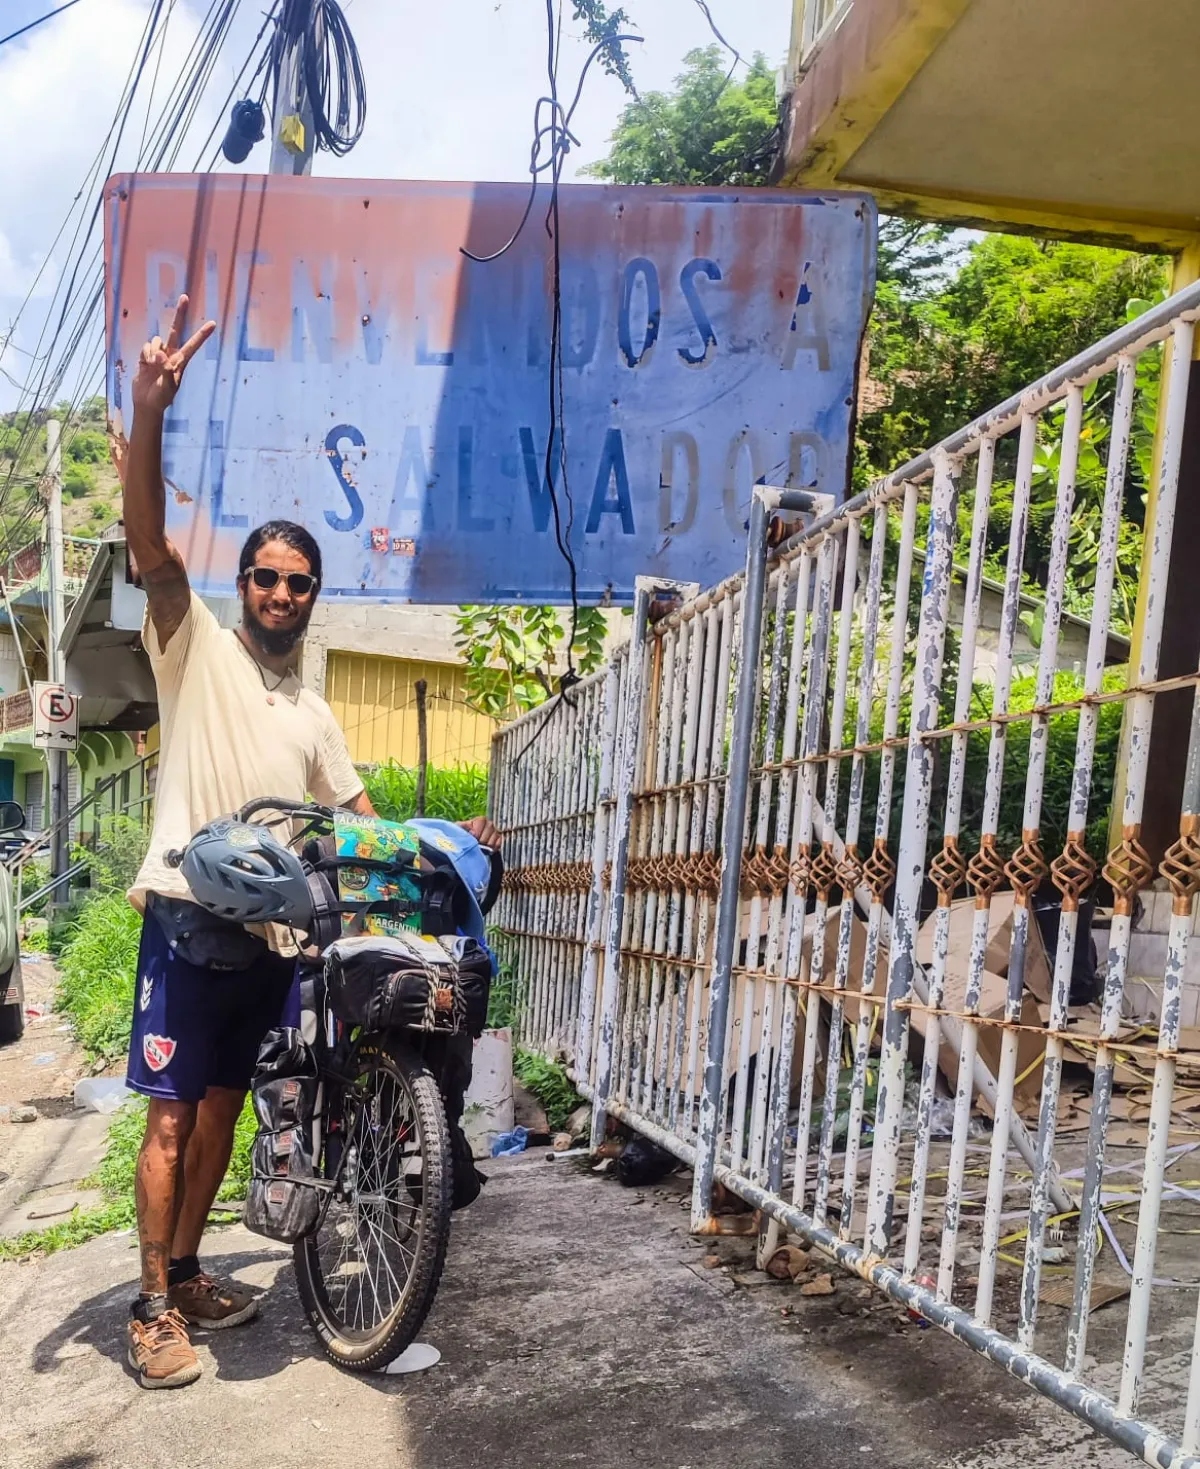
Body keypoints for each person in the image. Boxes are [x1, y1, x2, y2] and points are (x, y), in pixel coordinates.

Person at [121, 296, 498, 1390]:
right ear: (243, 584)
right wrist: (150, 412)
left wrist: (445, 837)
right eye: (267, 575)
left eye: (299, 581)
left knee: (223, 1112)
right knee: (170, 1116)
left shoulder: (315, 711)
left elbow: (363, 818)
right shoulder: (194, 646)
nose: (281, 591)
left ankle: (186, 1269)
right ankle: (151, 1309)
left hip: (275, 940)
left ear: (312, 596)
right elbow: (150, 547)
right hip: (189, 916)